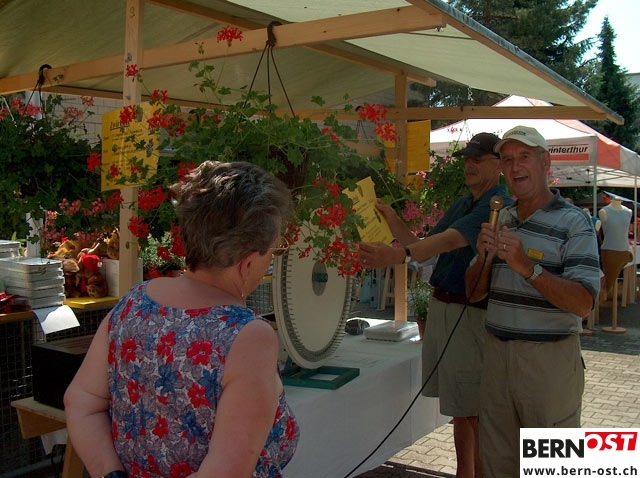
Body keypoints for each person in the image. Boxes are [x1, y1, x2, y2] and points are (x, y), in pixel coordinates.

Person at [64, 161, 299, 478]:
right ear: (248, 263)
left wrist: (111, 474)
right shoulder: (248, 336)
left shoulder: (134, 302)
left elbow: (81, 401)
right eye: (274, 250)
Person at [359, 132, 512, 478]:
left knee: (475, 412)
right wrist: (390, 217)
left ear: (498, 165)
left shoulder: (497, 204)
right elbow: (424, 245)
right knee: (460, 409)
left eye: (477, 159)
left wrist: (396, 256)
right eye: (466, 159)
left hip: (469, 315)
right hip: (444, 308)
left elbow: (447, 242)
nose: (469, 165)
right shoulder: (463, 203)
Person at [465, 126, 600, 477]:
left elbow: (584, 303)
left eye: (524, 156)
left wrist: (528, 268)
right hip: (497, 359)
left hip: (548, 363)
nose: (515, 166)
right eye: (507, 159)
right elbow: (474, 293)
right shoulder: (502, 218)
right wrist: (483, 260)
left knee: (550, 467)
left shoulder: (575, 223)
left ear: (545, 162)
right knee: (497, 464)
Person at [598, 196, 633, 301]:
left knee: (610, 283)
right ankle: (599, 301)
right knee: (608, 284)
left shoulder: (628, 212)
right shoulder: (604, 211)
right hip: (610, 251)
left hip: (625, 251)